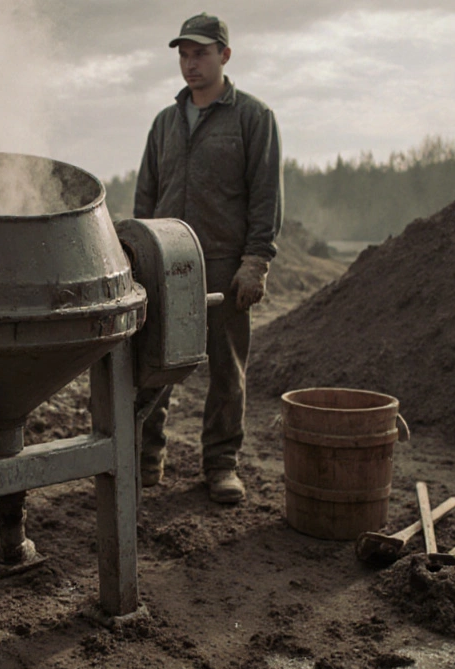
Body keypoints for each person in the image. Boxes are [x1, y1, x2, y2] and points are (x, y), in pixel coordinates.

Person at [134, 12, 283, 504]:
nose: (190, 63)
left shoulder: (252, 118)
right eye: (183, 54)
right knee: (154, 362)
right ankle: (144, 457)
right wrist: (138, 255)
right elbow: (147, 194)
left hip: (222, 261)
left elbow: (265, 196)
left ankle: (221, 465)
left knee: (225, 367)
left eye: (200, 53)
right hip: (166, 263)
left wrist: (256, 261)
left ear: (225, 55)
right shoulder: (165, 123)